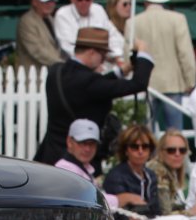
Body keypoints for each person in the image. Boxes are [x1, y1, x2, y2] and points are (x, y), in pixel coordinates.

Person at [53, 119, 176, 220]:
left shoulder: (84, 170)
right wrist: (122, 199)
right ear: (69, 142)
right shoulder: (65, 169)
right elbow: (88, 201)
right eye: (82, 143)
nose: (87, 149)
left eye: (92, 144)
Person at [37, 25, 151, 165]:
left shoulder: (56, 71)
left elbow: (92, 85)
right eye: (103, 55)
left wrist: (122, 71)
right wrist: (143, 53)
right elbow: (138, 84)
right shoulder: (89, 82)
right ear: (92, 52)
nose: (103, 60)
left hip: (50, 154)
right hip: (77, 159)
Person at [103, 123, 196, 220]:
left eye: (145, 147)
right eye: (135, 147)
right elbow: (114, 212)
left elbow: (156, 209)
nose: (140, 151)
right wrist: (129, 217)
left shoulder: (150, 175)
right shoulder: (116, 175)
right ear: (126, 150)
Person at [134, 0, 196, 136]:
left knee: (145, 133)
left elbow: (129, 55)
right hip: (172, 82)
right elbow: (185, 53)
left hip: (145, 83)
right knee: (175, 133)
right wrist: (190, 80)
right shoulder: (178, 19)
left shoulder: (133, 22)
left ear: (145, 0)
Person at [53, 0, 123, 63]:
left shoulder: (98, 10)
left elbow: (113, 36)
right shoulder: (63, 14)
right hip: (73, 62)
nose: (84, 2)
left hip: (101, 60)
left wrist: (117, 55)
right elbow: (67, 46)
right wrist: (91, 61)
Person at [16, 0, 65, 69]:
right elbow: (36, 50)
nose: (50, 4)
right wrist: (62, 63)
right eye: (45, 1)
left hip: (52, 71)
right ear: (35, 2)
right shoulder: (27, 21)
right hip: (34, 73)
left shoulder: (52, 19)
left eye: (52, 1)